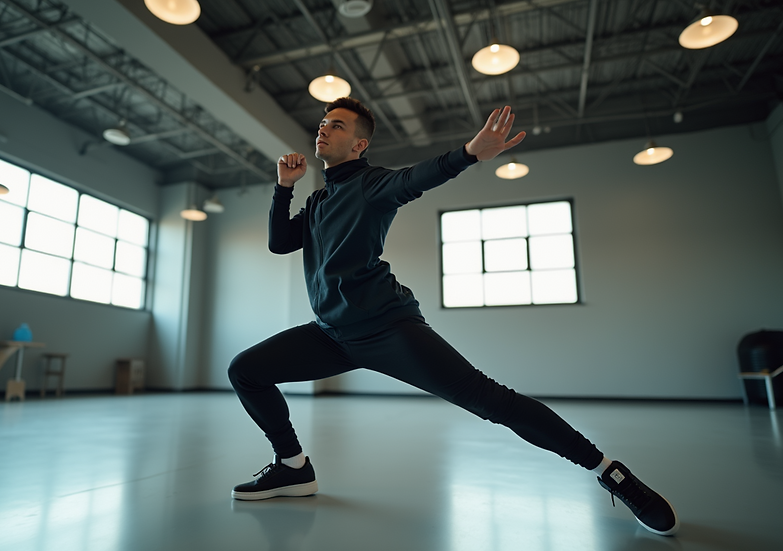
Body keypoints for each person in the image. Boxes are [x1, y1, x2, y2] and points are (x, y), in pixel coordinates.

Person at [227, 97, 679, 536]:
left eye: (337, 125)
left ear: (360, 145)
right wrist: (283, 187)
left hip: (387, 328)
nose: (323, 129)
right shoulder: (321, 200)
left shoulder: (372, 185)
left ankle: (612, 473)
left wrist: (466, 154)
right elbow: (280, 242)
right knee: (246, 370)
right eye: (324, 124)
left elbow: (414, 179)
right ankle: (292, 467)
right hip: (330, 334)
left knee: (493, 402)